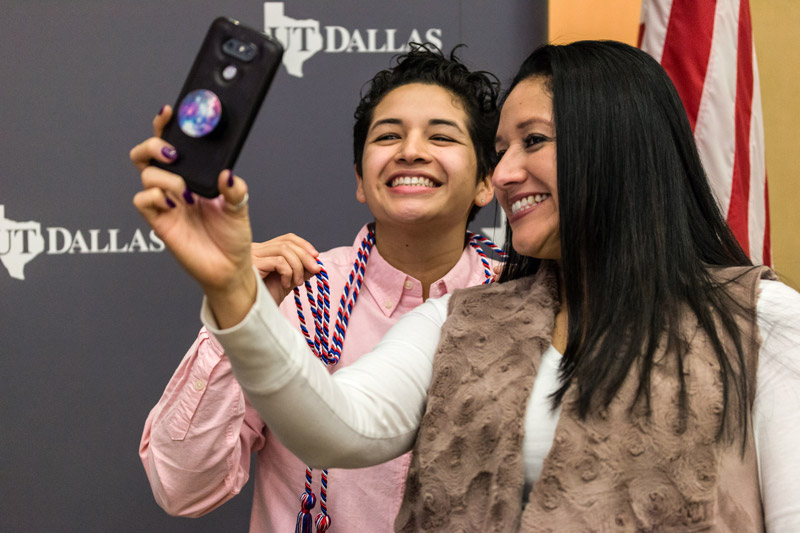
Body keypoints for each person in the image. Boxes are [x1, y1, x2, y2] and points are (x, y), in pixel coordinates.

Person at [134, 40, 800, 531]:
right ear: (359, 179)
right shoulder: (456, 317)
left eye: (528, 142)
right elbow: (338, 428)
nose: (509, 171)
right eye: (387, 137)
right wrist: (235, 294)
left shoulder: (760, 319)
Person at [132, 44, 503, 532]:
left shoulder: (523, 304)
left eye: (441, 136)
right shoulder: (297, 295)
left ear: (486, 182)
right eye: (388, 135)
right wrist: (237, 309)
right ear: (360, 180)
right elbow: (181, 488)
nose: (411, 151)